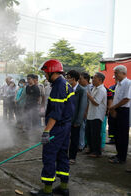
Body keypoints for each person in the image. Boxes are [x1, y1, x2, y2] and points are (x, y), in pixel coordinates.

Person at [31, 59, 75, 196]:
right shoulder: (66, 84)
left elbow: (56, 113)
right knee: (62, 155)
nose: (44, 75)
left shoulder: (58, 87)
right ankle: (63, 187)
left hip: (57, 127)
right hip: (66, 127)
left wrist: (46, 131)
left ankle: (47, 190)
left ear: (51, 72)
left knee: (49, 155)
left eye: (45, 73)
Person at [108, 65, 131, 164]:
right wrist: (113, 109)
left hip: (124, 110)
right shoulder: (118, 84)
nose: (115, 75)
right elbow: (116, 98)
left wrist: (113, 107)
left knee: (122, 135)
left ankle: (122, 157)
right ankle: (118, 154)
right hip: (117, 109)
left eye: (116, 73)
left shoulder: (128, 83)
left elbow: (126, 99)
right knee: (117, 134)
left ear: (123, 73)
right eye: (114, 72)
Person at [66, 70, 87, 165]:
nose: (67, 79)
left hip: (75, 119)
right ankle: (64, 155)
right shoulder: (67, 88)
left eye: (68, 77)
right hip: (67, 118)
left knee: (74, 139)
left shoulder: (81, 90)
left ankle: (72, 157)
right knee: (65, 138)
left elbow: (82, 107)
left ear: (73, 79)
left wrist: (78, 121)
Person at [85, 72, 107, 158]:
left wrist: (88, 95)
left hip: (97, 115)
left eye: (94, 78)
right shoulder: (95, 88)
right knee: (89, 133)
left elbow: (96, 102)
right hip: (91, 114)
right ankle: (91, 149)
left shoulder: (101, 89)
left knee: (96, 134)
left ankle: (97, 152)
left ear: (100, 80)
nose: (92, 80)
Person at [78, 72, 91, 151]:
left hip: (85, 112)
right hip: (81, 112)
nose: (79, 80)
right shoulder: (81, 87)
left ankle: (81, 145)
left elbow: (89, 102)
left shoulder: (88, 88)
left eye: (81, 79)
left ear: (86, 79)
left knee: (82, 128)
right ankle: (83, 144)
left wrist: (85, 112)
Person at [106, 77, 117, 144]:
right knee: (111, 123)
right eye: (115, 79)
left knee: (116, 124)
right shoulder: (111, 87)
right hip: (111, 108)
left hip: (117, 108)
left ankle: (116, 138)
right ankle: (112, 138)